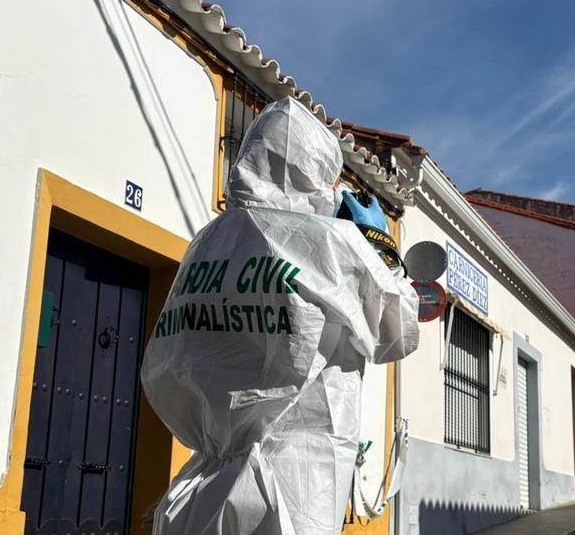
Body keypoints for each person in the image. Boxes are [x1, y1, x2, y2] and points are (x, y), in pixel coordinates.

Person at [141, 97, 419, 535]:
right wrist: (376, 244)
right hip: (296, 486)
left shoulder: (207, 244)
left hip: (201, 493)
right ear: (314, 177)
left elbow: (165, 364)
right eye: (329, 180)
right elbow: (397, 332)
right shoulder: (328, 243)